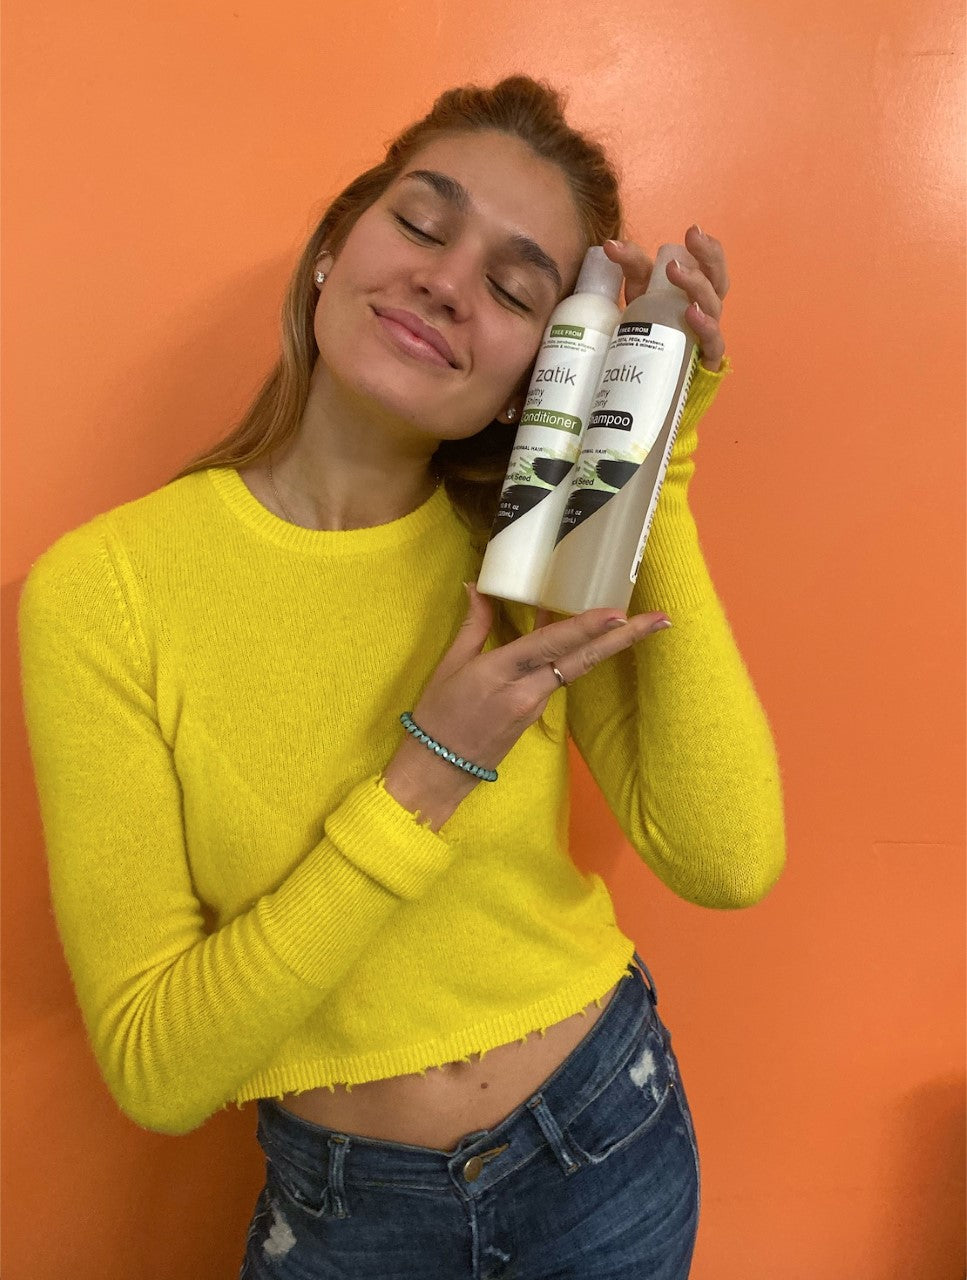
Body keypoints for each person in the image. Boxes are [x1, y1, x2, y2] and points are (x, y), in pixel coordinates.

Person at [18, 75, 785, 1279]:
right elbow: (158, 1069)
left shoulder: (529, 551)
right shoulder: (104, 591)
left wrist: (651, 456)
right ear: (335, 246)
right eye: (423, 224)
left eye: (516, 290)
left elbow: (725, 857)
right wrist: (430, 769)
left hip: (605, 1141)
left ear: (540, 369)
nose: (446, 282)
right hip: (348, 1215)